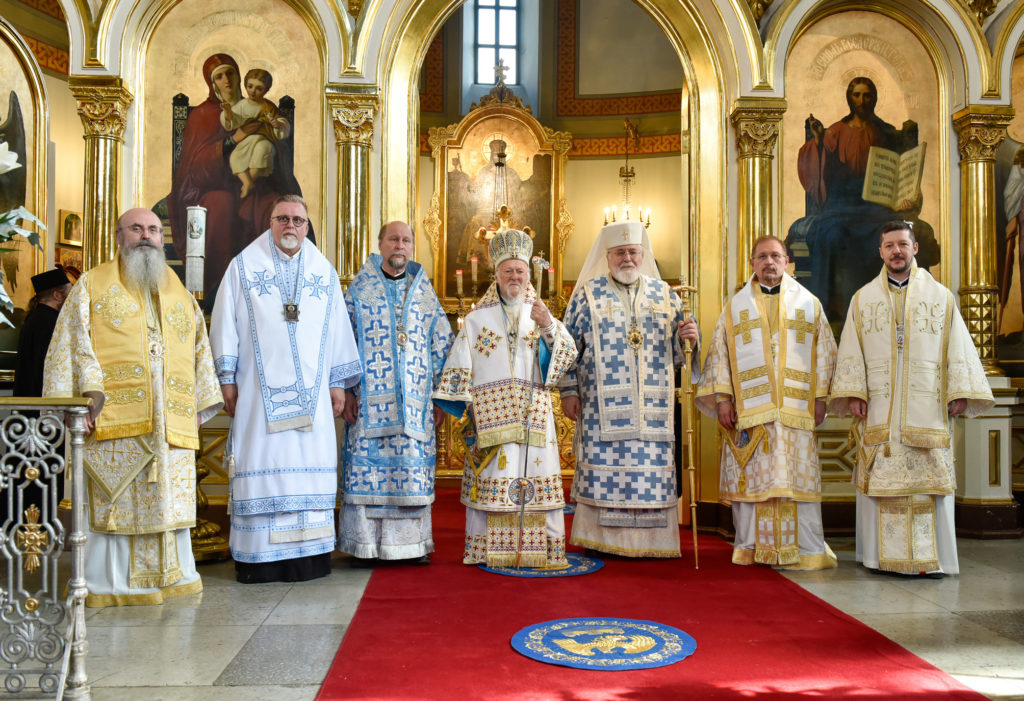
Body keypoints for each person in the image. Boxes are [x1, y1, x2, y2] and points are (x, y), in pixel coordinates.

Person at [42, 208, 222, 606]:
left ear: (163, 239)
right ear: (118, 236)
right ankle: (112, 585)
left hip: (168, 423)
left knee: (165, 500)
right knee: (117, 498)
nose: (146, 236)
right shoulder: (93, 286)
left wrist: (194, 404)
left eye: (154, 229)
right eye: (137, 228)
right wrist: (86, 398)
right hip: (112, 421)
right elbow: (74, 344)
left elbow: (199, 350)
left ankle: (171, 578)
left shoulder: (177, 290)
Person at [829, 221, 994, 577]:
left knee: (929, 484)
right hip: (881, 411)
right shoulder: (864, 297)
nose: (896, 251)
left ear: (915, 248)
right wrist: (855, 392)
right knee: (883, 480)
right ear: (881, 252)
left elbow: (958, 347)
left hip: (928, 410)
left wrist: (960, 391)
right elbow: (852, 351)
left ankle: (933, 562)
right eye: (889, 246)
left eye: (903, 244)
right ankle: (877, 558)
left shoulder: (940, 297)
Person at [210, 195, 361, 583]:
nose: (290, 226)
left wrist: (338, 384)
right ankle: (259, 560)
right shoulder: (242, 267)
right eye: (282, 219)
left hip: (312, 405)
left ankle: (309, 558)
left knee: (309, 466)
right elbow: (224, 322)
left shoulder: (322, 272)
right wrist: (226, 377)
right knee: (262, 460)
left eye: (298, 220)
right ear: (270, 222)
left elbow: (337, 332)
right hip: (258, 399)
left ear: (307, 227)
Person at [433, 228, 577, 568]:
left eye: (521, 271)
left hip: (534, 415)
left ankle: (540, 552)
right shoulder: (475, 319)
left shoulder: (541, 313)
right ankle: (487, 552)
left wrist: (549, 329)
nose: (515, 277)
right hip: (491, 417)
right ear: (495, 274)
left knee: (536, 478)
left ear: (529, 275)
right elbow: (461, 360)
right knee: (494, 480)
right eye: (508, 271)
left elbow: (566, 357)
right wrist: (459, 401)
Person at [558, 220, 700, 558]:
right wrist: (568, 390)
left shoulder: (665, 295)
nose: (627, 258)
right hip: (598, 407)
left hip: (652, 408)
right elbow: (567, 348)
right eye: (620, 252)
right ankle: (600, 538)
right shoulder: (586, 295)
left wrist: (688, 338)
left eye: (632, 251)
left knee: (648, 470)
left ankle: (654, 544)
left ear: (642, 254)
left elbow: (680, 353)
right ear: (607, 256)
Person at [696, 235, 838, 569]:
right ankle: (750, 547)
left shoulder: (809, 303)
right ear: (752, 263)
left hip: (796, 411)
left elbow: (825, 354)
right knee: (756, 482)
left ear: (787, 261)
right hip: (751, 412)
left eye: (776, 256)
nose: (769, 262)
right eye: (762, 257)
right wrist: (723, 400)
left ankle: (807, 549)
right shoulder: (735, 307)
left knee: (794, 482)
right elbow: (721, 357)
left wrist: (820, 398)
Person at [338, 221, 453, 565]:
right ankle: (364, 547)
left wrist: (440, 397)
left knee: (409, 472)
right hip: (369, 405)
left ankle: (412, 546)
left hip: (415, 407)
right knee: (368, 473)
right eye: (393, 239)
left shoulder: (425, 295)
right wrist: (347, 391)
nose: (399, 245)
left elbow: (443, 346)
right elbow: (342, 345)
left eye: (406, 239)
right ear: (380, 244)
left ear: (412, 246)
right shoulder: (358, 290)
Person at [788, 76, 938, 320]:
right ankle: (833, 317)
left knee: (888, 234)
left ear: (874, 98)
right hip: (840, 205)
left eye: (867, 95)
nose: (861, 100)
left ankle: (888, 315)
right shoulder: (834, 132)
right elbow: (818, 169)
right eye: (857, 95)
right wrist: (817, 141)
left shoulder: (887, 134)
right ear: (849, 98)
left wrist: (905, 196)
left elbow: (903, 175)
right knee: (832, 235)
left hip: (877, 207)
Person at [168, 54, 304, 300]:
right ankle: (215, 292)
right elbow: (195, 169)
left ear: (239, 75)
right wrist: (234, 138)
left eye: (230, 73)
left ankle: (273, 292)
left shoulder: (260, 107)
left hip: (258, 181)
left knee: (277, 211)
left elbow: (278, 147)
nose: (226, 80)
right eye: (219, 76)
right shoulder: (201, 115)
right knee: (220, 206)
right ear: (211, 82)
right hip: (212, 186)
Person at [220, 68, 291, 199]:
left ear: (266, 90)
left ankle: (248, 182)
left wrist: (277, 124)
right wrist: (228, 112)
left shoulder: (268, 106)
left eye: (259, 88)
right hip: (247, 140)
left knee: (263, 152)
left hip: (264, 139)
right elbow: (232, 123)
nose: (253, 91)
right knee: (235, 157)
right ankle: (247, 183)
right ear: (245, 85)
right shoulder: (242, 105)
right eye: (250, 86)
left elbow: (283, 124)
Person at [14, 268, 71, 397]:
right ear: (57, 296)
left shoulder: (36, 316)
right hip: (41, 403)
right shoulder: (51, 322)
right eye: (70, 293)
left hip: (29, 401)